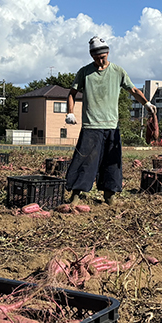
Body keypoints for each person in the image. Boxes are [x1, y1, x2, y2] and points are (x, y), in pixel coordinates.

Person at [65, 36, 156, 204]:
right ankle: (75, 197)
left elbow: (133, 89)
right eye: (96, 57)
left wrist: (147, 103)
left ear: (108, 53)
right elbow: (72, 93)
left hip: (111, 126)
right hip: (91, 126)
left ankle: (110, 197)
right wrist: (70, 112)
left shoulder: (118, 71)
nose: (100, 59)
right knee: (85, 161)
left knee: (111, 163)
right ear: (92, 56)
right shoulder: (84, 72)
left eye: (103, 56)